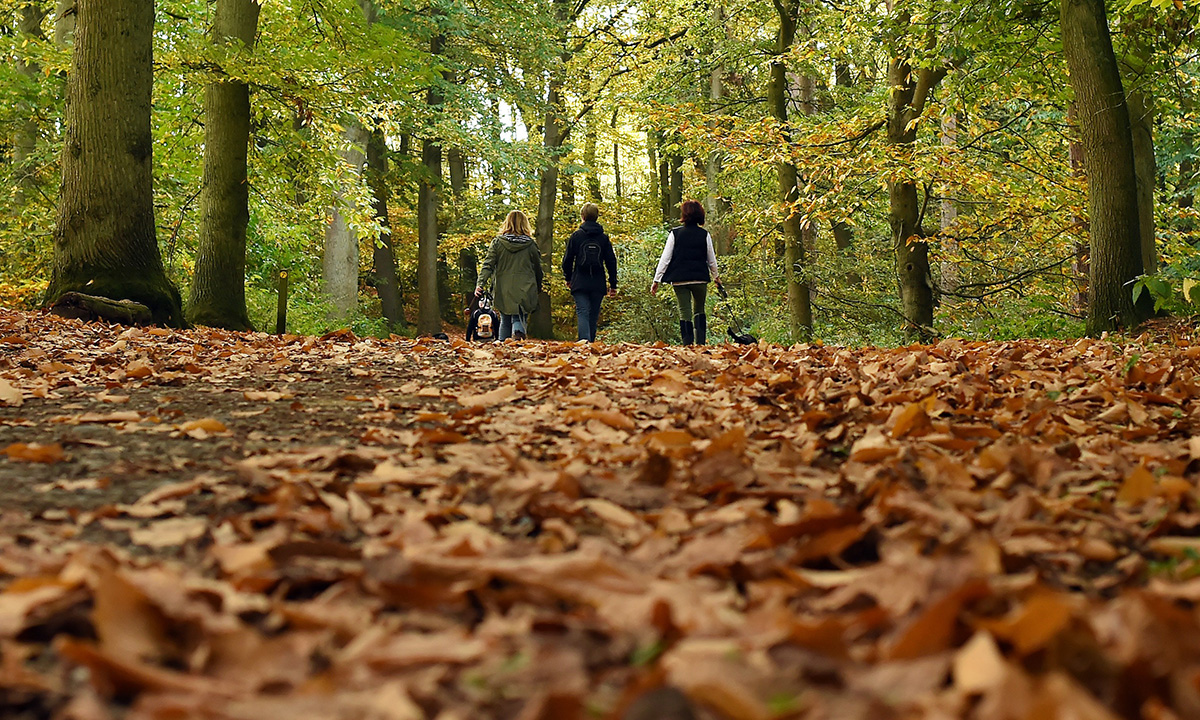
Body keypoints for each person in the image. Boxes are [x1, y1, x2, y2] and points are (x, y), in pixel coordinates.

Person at [650, 199, 720, 345]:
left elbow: (665, 258)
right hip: (700, 278)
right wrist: (716, 277)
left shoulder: (675, 234)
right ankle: (700, 344)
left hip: (679, 279)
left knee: (684, 311)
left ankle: (687, 345)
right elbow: (711, 259)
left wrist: (657, 279)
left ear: (684, 215)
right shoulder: (704, 234)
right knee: (699, 310)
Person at [475, 210, 543, 340]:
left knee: (505, 319)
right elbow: (537, 268)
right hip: (525, 287)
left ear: (507, 223)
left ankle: (502, 347)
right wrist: (538, 285)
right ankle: (518, 340)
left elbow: (488, 265)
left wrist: (480, 284)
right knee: (520, 316)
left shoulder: (498, 243)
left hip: (503, 287)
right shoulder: (530, 244)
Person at [561, 203, 618, 342]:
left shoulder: (576, 236)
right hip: (598, 282)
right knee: (593, 314)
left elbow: (567, 259)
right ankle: (591, 343)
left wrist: (568, 278)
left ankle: (583, 342)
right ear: (597, 216)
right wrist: (613, 284)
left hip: (580, 280)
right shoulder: (603, 238)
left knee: (582, 312)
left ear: (583, 216)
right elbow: (611, 261)